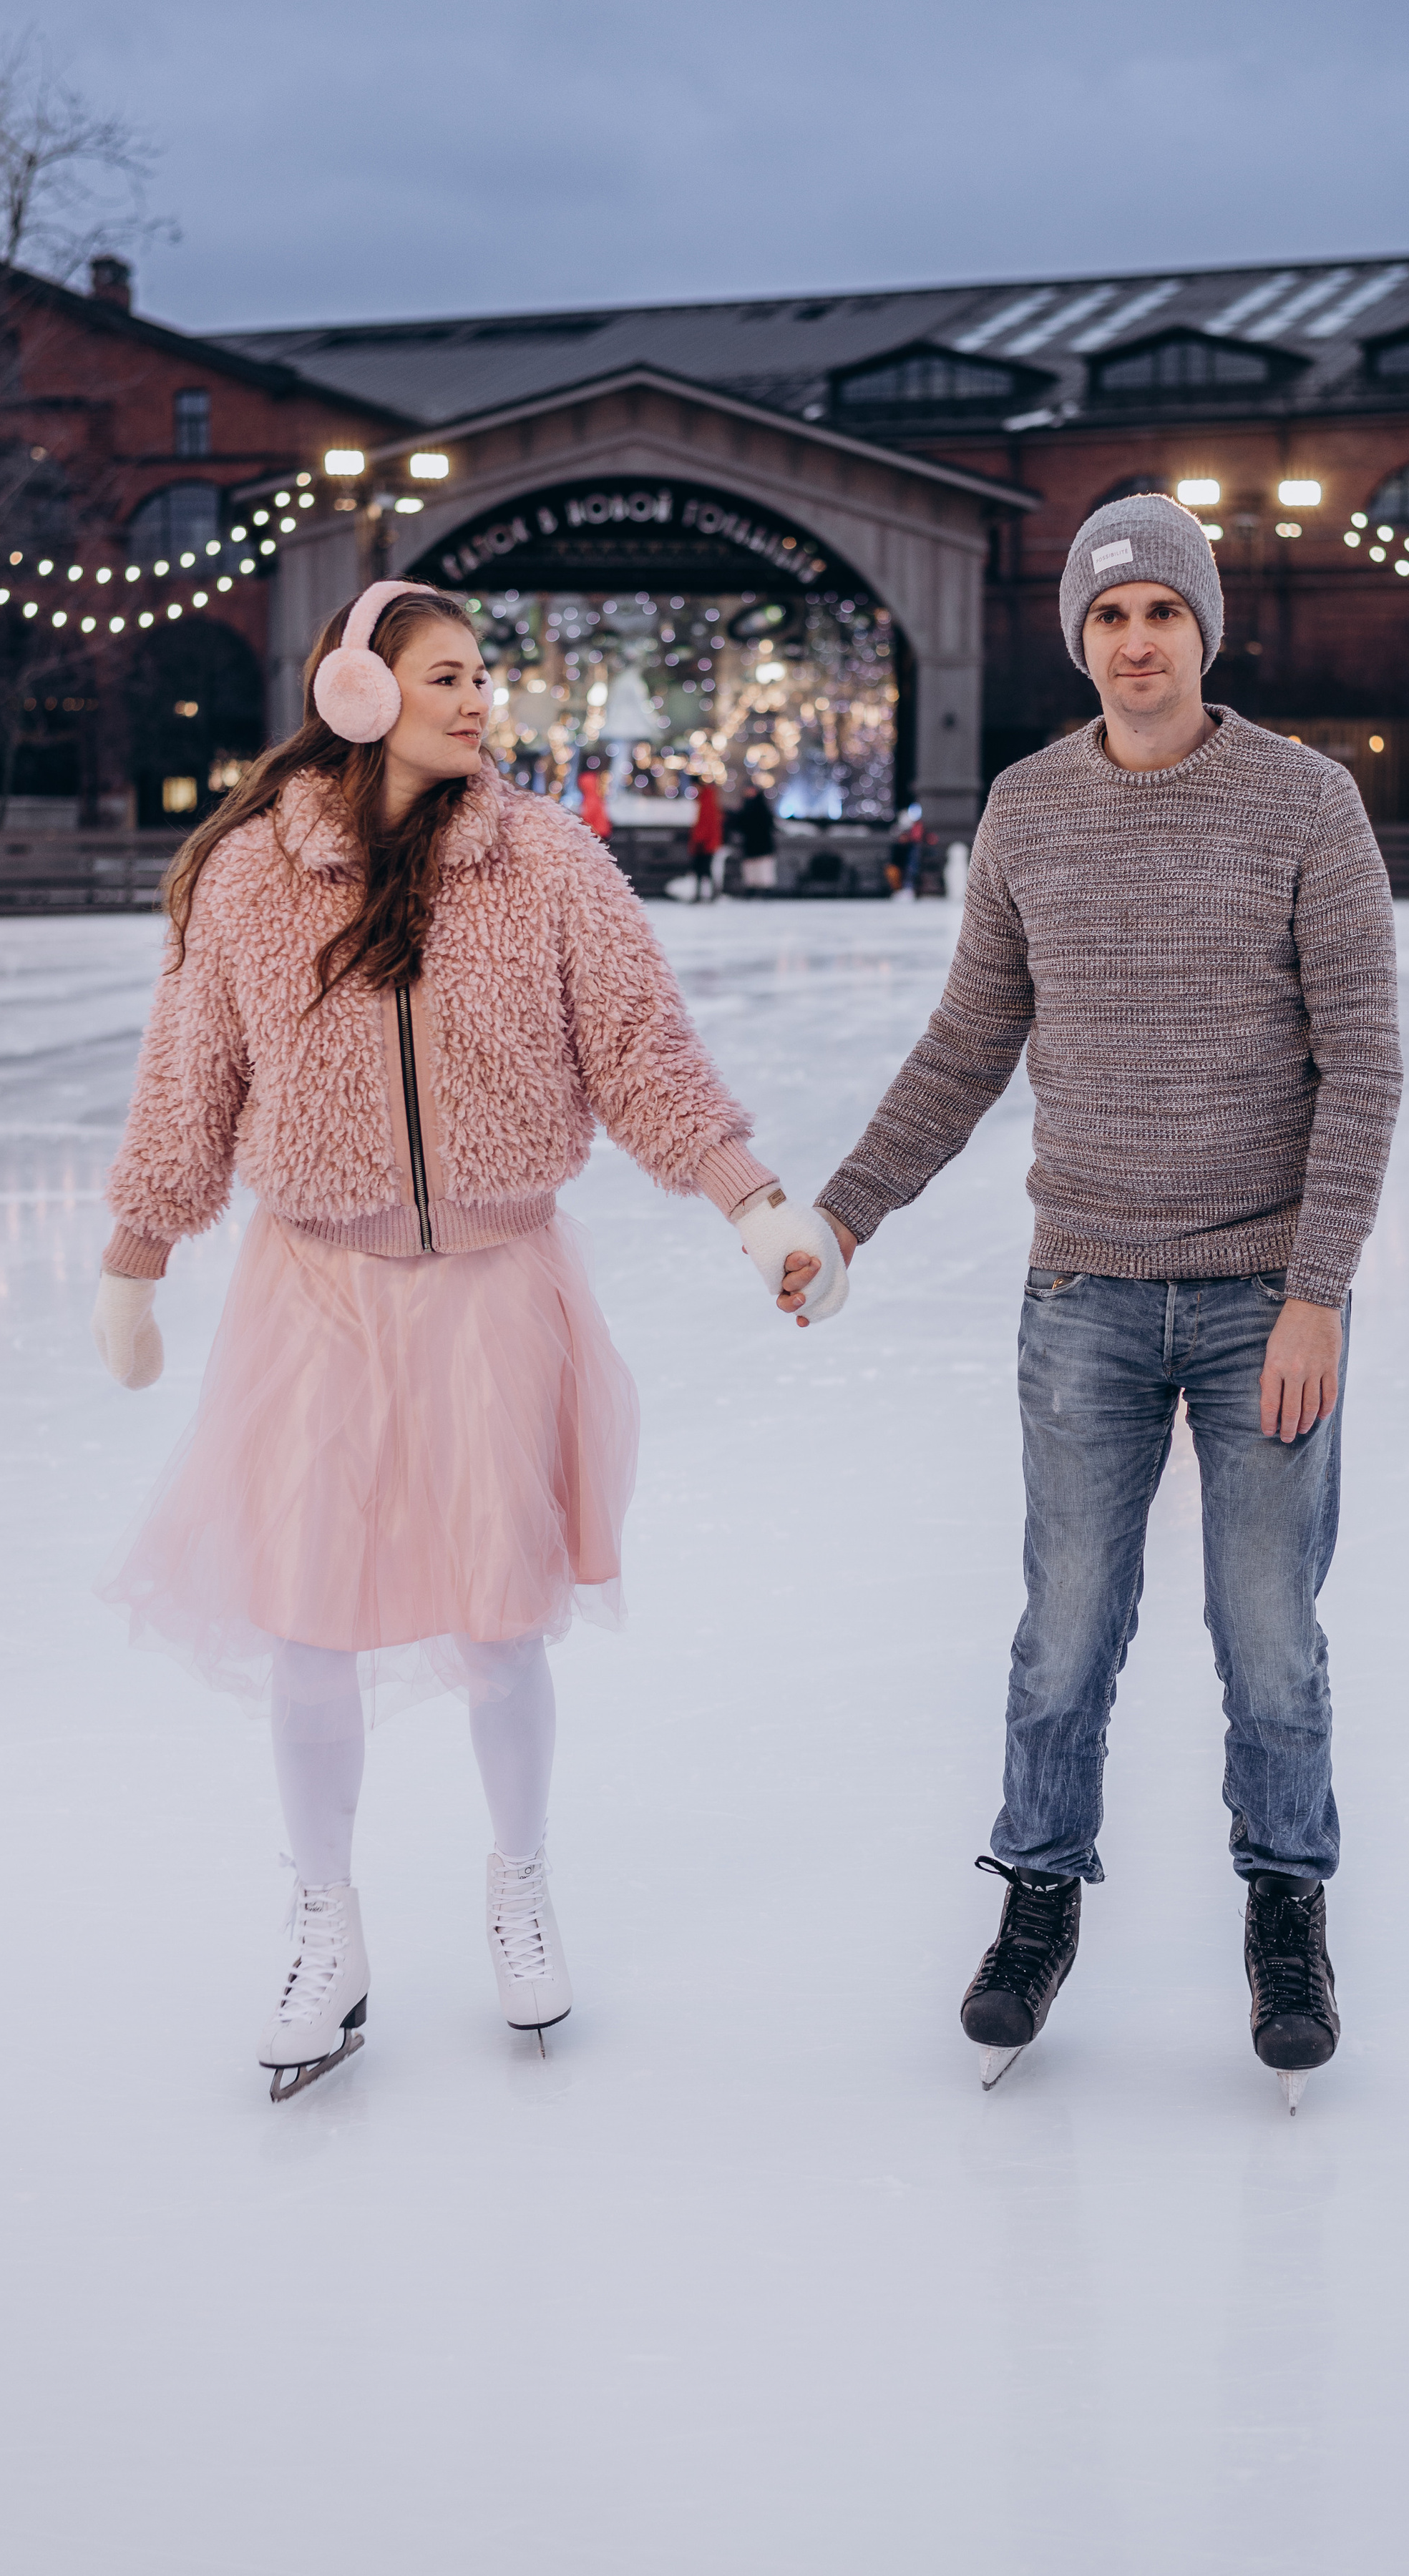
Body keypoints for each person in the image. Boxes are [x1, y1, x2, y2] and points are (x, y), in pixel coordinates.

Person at [89, 582, 847, 2100]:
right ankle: (324, 1919)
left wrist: (755, 1201)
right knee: (310, 1618)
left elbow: (642, 1052)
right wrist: (137, 1254)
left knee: (502, 1616)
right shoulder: (250, 878)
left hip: (498, 1280)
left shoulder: (545, 860)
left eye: (481, 673)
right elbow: (190, 1079)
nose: (477, 698)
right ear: (358, 693)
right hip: (318, 1287)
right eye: (445, 674)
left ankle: (519, 1882)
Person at [777, 496, 1402, 2107]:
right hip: (1086, 1297)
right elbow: (965, 1047)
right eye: (1110, 617)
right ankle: (1038, 1894)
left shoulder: (1305, 802)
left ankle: (1286, 1908)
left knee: (1267, 1633)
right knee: (1064, 1628)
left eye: (1161, 613)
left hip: (1263, 1294)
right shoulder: (1029, 809)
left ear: (1205, 630)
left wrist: (1318, 1292)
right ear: (1079, 638)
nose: (1136, 642)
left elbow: (1362, 1067)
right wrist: (845, 1210)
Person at [734, 781, 779, 893]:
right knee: (751, 871)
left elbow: (768, 823)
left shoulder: (761, 806)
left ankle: (764, 891)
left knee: (763, 871)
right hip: (751, 845)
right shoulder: (745, 806)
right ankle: (753, 890)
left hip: (762, 844)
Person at [687, 772, 724, 901]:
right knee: (703, 869)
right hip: (705, 841)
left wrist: (700, 839)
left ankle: (708, 894)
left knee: (704, 869)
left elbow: (706, 822)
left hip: (705, 842)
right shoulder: (705, 798)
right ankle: (707, 894)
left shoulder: (706, 799)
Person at [577, 760, 612, 841]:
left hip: (595, 832)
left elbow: (587, 817)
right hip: (601, 831)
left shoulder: (590, 800)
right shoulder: (598, 798)